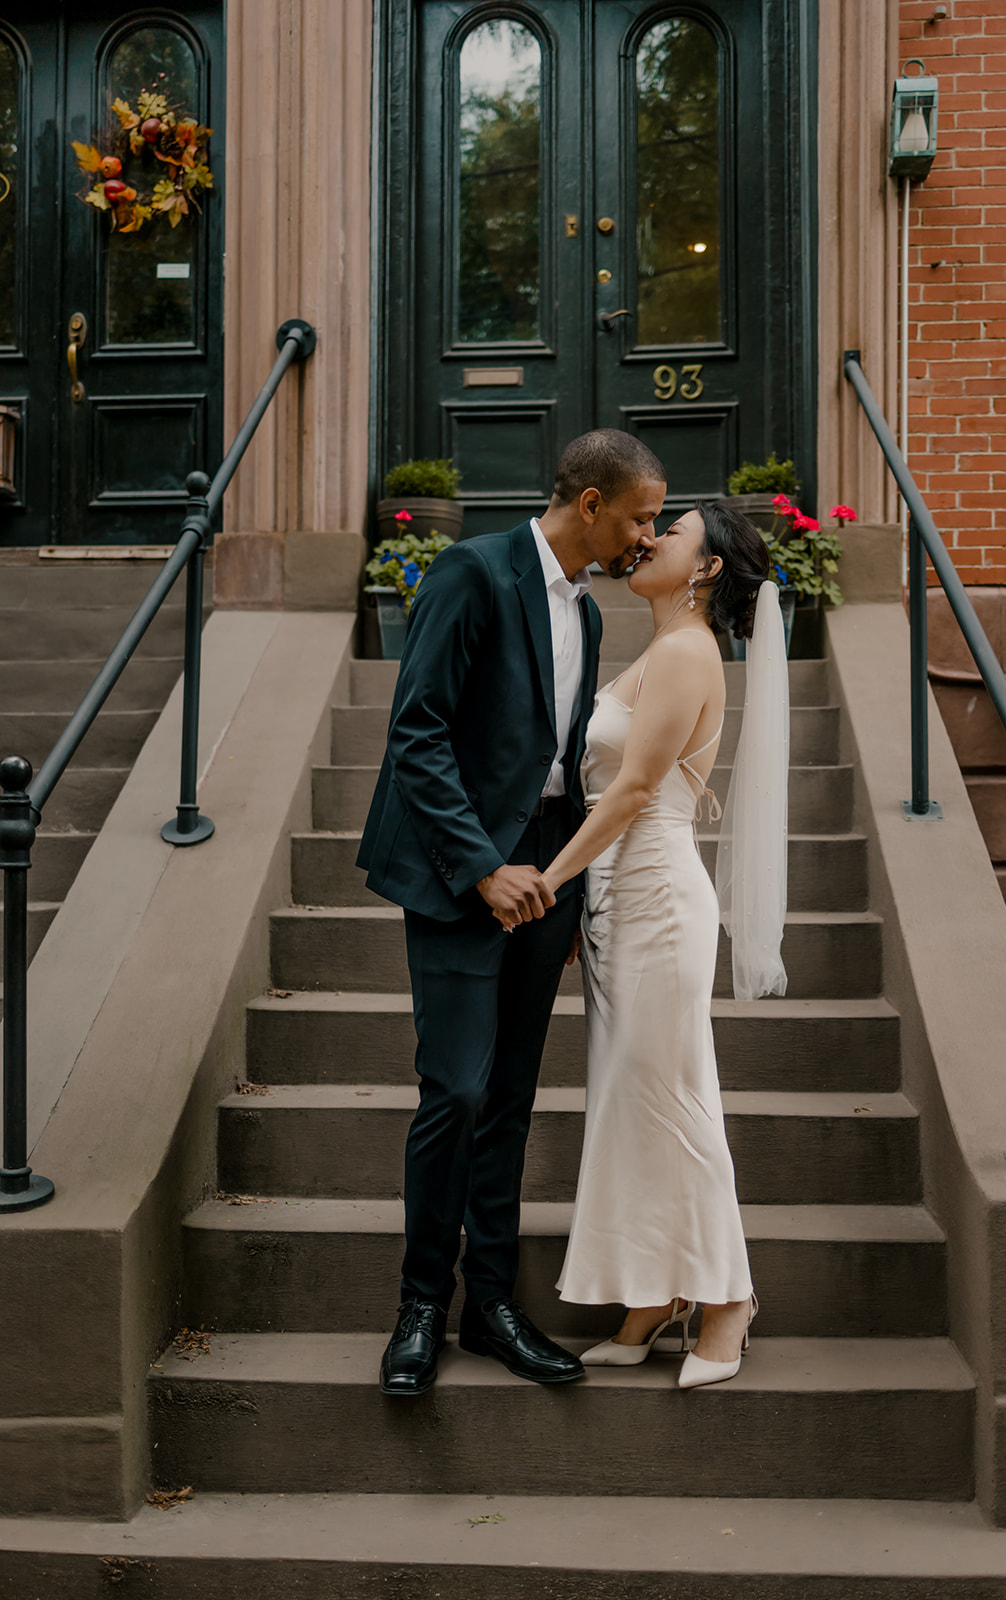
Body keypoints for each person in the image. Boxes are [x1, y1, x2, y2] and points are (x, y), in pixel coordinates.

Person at [357, 429, 665, 1396]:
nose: (647, 536)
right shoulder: (472, 571)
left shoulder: (592, 611)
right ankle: (419, 1308)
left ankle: (490, 1305)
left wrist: (564, 889)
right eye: (640, 515)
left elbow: (563, 763)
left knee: (512, 1101)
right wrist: (484, 867)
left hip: (545, 880)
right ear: (590, 505)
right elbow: (417, 730)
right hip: (461, 876)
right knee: (453, 1090)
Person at [493, 501, 789, 1389]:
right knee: (631, 1099)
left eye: (675, 532)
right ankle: (653, 1296)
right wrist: (588, 900)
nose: (650, 538)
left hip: (657, 895)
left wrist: (548, 883)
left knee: (674, 1098)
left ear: (705, 569)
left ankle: (727, 1297)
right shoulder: (655, 652)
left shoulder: (689, 653)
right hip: (619, 901)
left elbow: (628, 795)